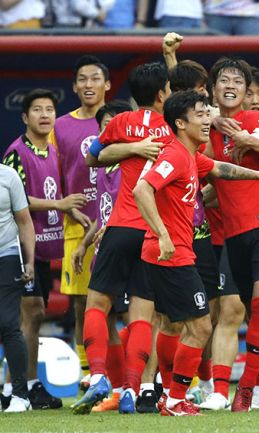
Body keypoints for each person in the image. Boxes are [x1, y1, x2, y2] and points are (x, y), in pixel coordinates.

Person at [133, 90, 259, 416]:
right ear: (180, 122)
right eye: (201, 114)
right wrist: (163, 234)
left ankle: (170, 395)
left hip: (172, 251)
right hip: (171, 251)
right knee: (200, 327)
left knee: (180, 326)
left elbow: (221, 170)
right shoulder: (173, 155)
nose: (207, 119)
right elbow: (141, 189)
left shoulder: (190, 155)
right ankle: (173, 398)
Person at [73, 62, 170, 415]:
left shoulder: (117, 122)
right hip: (153, 230)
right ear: (163, 94)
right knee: (143, 316)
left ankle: (99, 375)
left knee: (97, 305)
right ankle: (132, 388)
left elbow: (91, 157)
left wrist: (129, 147)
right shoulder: (173, 128)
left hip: (118, 226)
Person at [203, 57, 259, 412]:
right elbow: (202, 168)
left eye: (238, 80)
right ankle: (235, 391)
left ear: (247, 90)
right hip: (231, 234)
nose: (231, 85)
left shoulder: (256, 120)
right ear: (214, 89)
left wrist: (246, 140)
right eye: (224, 80)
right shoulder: (207, 128)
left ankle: (246, 390)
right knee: (240, 315)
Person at [2, 89, 86, 411]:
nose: (44, 115)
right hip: (22, 247)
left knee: (32, 318)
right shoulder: (15, 153)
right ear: (25, 117)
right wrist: (60, 204)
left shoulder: (53, 151)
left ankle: (25, 386)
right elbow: (17, 201)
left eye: (49, 109)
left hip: (47, 245)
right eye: (37, 110)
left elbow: (58, 194)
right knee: (30, 312)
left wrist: (70, 210)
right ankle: (18, 388)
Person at [50, 55, 110, 390]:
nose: (89, 85)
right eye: (82, 79)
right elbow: (51, 174)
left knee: (122, 305)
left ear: (108, 84)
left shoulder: (119, 120)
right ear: (74, 86)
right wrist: (67, 208)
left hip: (115, 223)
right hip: (77, 226)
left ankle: (122, 374)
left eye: (95, 78)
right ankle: (88, 375)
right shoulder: (59, 125)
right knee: (82, 304)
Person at [71, 100, 134, 413]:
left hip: (129, 244)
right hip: (106, 245)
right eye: (103, 126)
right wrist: (84, 244)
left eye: (114, 123)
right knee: (107, 318)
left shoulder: (132, 160)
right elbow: (103, 209)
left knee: (133, 317)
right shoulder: (104, 164)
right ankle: (118, 388)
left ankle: (140, 387)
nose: (109, 130)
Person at [0, 159, 36, 413]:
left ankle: (20, 395)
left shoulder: (8, 175)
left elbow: (24, 220)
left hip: (7, 255)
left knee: (9, 323)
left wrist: (30, 261)